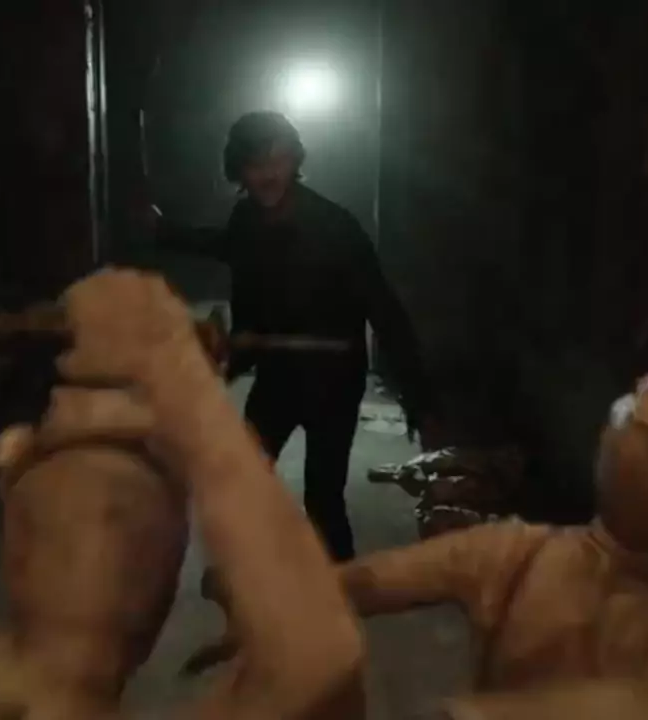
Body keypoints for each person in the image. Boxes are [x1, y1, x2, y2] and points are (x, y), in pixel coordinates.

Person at [146, 110, 436, 561]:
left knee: (323, 500)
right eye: (256, 164)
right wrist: (166, 234)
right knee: (242, 476)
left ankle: (339, 586)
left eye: (277, 160)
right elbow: (226, 245)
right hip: (278, 377)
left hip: (333, 383)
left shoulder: (336, 228)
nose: (268, 174)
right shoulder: (247, 218)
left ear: (294, 160)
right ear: (239, 170)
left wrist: (417, 396)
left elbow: (384, 310)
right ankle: (251, 578)